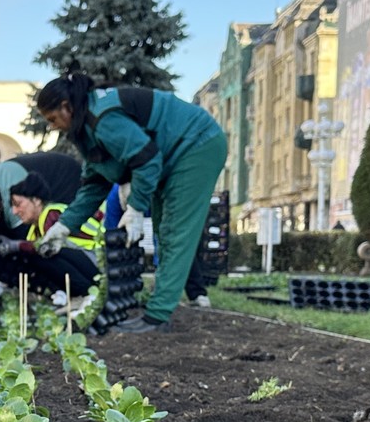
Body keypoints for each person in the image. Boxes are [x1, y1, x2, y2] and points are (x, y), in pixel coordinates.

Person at [35, 73, 227, 334]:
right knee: (163, 230)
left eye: (52, 119)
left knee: (174, 231)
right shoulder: (86, 128)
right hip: (170, 156)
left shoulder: (103, 119)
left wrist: (136, 208)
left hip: (195, 145)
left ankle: (158, 316)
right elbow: (93, 186)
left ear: (66, 106)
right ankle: (165, 299)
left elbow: (146, 159)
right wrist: (63, 227)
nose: (53, 126)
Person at [0, 171, 101, 304]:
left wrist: (15, 245)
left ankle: (87, 293)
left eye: (18, 204)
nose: (14, 211)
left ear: (36, 200)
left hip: (98, 261)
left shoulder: (52, 214)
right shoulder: (34, 229)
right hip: (83, 264)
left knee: (43, 253)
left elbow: (45, 247)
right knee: (29, 257)